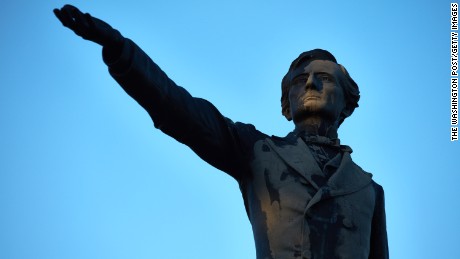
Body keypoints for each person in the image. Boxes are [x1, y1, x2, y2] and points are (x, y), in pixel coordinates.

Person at [54, 4, 389, 259]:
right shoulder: (257, 151)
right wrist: (120, 51)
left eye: (324, 78)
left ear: (347, 102)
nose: (311, 83)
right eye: (300, 81)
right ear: (286, 105)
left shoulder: (369, 190)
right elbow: (177, 107)